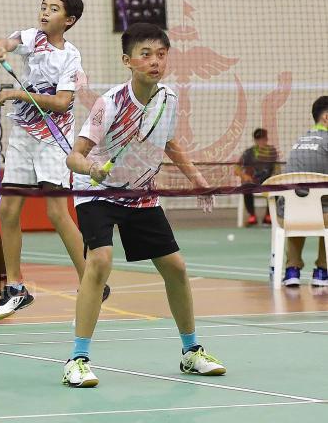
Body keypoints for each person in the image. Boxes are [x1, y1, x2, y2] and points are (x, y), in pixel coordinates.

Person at [62, 22, 226, 387]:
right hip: (98, 192)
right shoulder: (109, 103)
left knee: (176, 268)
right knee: (100, 261)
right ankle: (77, 359)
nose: (155, 61)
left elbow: (169, 143)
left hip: (140, 193)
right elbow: (75, 156)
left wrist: (197, 179)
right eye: (146, 54)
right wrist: (91, 168)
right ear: (128, 61)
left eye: (161, 55)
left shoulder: (168, 98)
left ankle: (191, 351)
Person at [0, 0, 109, 320]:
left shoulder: (71, 58)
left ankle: (93, 281)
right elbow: (7, 42)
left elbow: (61, 102)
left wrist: (18, 94)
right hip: (24, 136)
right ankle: (15, 288)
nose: (45, 12)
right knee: (8, 208)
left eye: (54, 9)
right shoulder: (33, 38)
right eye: (44, 6)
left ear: (69, 20)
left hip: (53, 139)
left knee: (57, 213)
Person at [280, 96, 328, 287]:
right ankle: (323, 270)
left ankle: (292, 269)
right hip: (320, 216)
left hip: (287, 216)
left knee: (300, 203)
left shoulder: (299, 141)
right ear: (326, 117)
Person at [235, 128, 278, 226]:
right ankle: (252, 216)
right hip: (253, 181)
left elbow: (277, 167)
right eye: (258, 139)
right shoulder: (248, 153)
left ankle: (268, 216)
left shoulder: (273, 152)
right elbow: (236, 168)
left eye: (263, 139)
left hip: (268, 181)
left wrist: (275, 177)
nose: (261, 141)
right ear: (255, 140)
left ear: (266, 139)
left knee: (277, 187)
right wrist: (244, 176)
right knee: (246, 186)